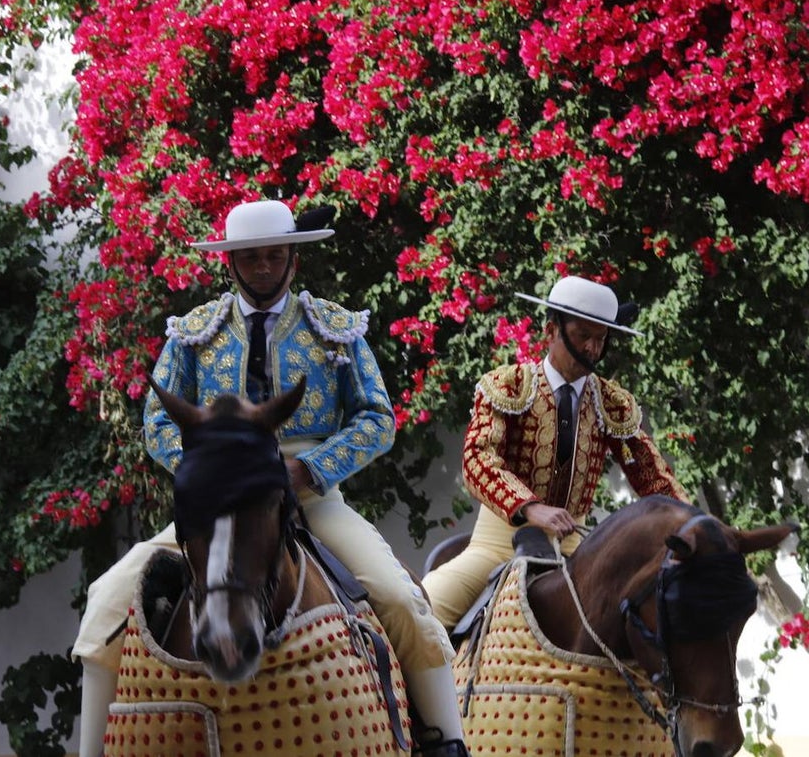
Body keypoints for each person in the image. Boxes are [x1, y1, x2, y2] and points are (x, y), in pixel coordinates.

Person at [72, 200, 469, 757]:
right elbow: (157, 421)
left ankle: (444, 742)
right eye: (251, 258)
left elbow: (378, 419)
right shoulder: (193, 334)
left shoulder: (335, 329)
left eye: (273, 257)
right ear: (230, 263)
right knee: (106, 600)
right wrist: (209, 471)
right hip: (222, 500)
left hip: (310, 493)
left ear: (292, 261)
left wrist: (312, 467)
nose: (262, 268)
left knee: (403, 600)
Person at [420, 275, 690, 631]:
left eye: (600, 339)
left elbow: (652, 476)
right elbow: (478, 458)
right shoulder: (508, 385)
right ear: (551, 331)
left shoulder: (613, 404)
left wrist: (695, 527)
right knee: (418, 616)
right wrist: (531, 508)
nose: (592, 349)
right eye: (582, 337)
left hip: (575, 551)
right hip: (498, 545)